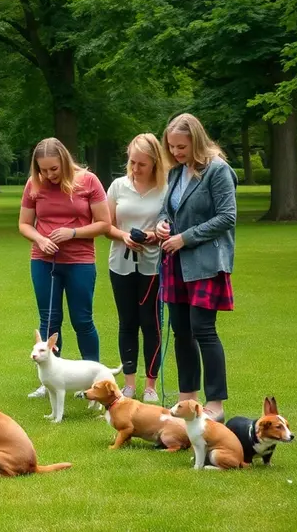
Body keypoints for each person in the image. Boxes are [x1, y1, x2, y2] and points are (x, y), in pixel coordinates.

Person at [156, 113, 237, 422]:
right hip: (176, 261)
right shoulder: (177, 172)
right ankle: (187, 398)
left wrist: (184, 238)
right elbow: (168, 209)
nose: (176, 153)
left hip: (205, 262)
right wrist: (163, 225)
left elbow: (227, 217)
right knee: (181, 332)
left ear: (197, 141)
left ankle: (215, 403)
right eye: (172, 147)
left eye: (182, 147)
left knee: (203, 330)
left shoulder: (218, 171)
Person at [18, 137, 110, 399]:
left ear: (65, 162)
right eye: (43, 169)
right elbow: (25, 224)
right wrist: (40, 239)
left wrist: (73, 232)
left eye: (54, 169)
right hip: (43, 260)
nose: (49, 175)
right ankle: (48, 381)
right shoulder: (34, 184)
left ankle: (96, 380)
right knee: (49, 320)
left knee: (83, 320)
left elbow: (104, 223)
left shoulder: (88, 181)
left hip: (80, 260)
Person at [105, 133, 170, 403]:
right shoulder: (118, 186)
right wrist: (123, 236)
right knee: (127, 322)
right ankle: (129, 383)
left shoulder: (166, 188)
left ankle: (150, 385)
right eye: (132, 162)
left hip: (153, 265)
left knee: (151, 323)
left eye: (142, 164)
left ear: (155, 163)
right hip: (120, 262)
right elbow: (105, 225)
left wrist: (156, 234)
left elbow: (171, 223)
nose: (135, 169)